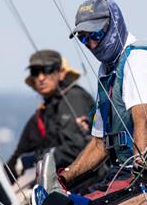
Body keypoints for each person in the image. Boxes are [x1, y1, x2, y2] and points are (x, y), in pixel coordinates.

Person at [58, 0, 147, 194]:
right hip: (122, 171)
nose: (90, 44)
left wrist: (136, 185)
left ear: (114, 25)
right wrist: (64, 177)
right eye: (83, 38)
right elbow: (100, 144)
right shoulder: (107, 71)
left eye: (95, 35)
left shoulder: (138, 60)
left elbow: (145, 123)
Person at [5, 50, 95, 182]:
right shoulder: (44, 111)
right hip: (62, 180)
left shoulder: (73, 98)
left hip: (85, 182)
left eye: (47, 70)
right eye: (35, 72)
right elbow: (19, 155)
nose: (41, 77)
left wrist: (34, 159)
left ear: (61, 73)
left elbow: (77, 147)